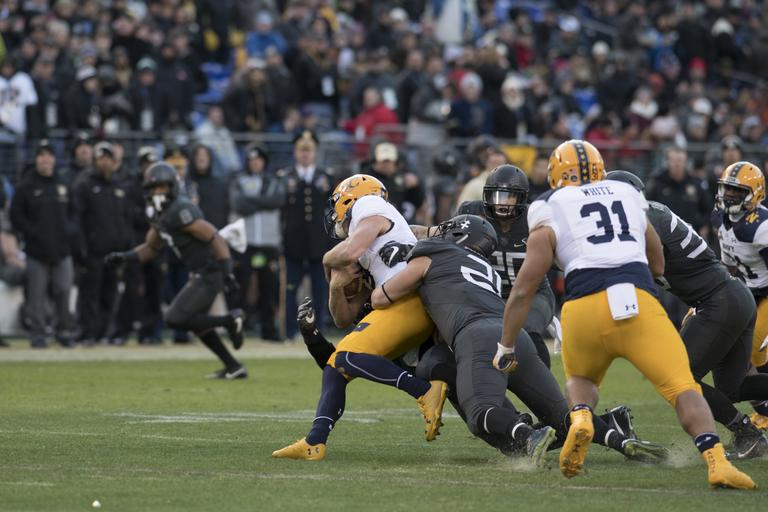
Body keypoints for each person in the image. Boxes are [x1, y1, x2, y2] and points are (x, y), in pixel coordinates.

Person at [494, 139, 755, 489]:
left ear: (556, 174)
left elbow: (525, 288)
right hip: (637, 300)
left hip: (583, 305)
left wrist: (506, 345)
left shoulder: (548, 204)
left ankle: (582, 418)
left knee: (581, 381)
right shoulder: (627, 193)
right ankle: (717, 463)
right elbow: (657, 264)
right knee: (683, 386)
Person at [369, 214, 666, 463]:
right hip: (514, 337)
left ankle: (528, 434)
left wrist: (378, 282)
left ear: (457, 234)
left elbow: (382, 297)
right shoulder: (488, 270)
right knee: (562, 415)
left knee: (480, 413)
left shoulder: (434, 253)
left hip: (477, 335)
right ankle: (619, 440)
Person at [272, 174, 447, 461]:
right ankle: (314, 442)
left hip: (409, 300)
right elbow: (344, 319)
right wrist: (336, 286)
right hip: (401, 305)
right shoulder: (369, 243)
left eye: (337, 203)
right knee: (335, 366)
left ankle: (424, 391)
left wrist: (327, 260)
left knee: (346, 357)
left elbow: (350, 250)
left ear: (351, 196)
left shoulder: (368, 205)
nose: (335, 213)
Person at [607, 170, 768, 459]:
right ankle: (749, 435)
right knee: (732, 388)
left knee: (677, 376)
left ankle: (747, 433)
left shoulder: (645, 219)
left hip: (720, 302)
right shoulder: (651, 213)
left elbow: (649, 269)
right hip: (731, 298)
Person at [104, 162, 247, 379]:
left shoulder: (180, 210)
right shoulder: (161, 214)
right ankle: (234, 367)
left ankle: (229, 320)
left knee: (174, 318)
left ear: (172, 187)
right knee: (195, 322)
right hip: (201, 271)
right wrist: (125, 257)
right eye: (153, 188)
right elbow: (151, 247)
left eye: (161, 187)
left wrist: (227, 272)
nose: (157, 192)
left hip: (211, 270)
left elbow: (214, 236)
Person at [456, 164, 556, 367]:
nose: (502, 202)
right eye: (497, 195)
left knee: (526, 332)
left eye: (509, 196)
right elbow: (443, 238)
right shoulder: (472, 213)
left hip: (532, 294)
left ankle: (542, 381)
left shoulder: (535, 218)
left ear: (522, 198)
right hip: (488, 296)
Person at [711, 161, 768, 430]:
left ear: (755, 194)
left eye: (738, 191)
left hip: (765, 292)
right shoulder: (720, 218)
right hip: (747, 290)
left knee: (756, 350)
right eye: (728, 189)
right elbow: (728, 265)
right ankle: (763, 410)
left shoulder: (760, 226)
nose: (730, 195)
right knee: (741, 353)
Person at [9, 140, 77, 348]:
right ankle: (38, 334)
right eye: (41, 155)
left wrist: (69, 231)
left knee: (64, 291)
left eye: (49, 155)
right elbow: (16, 216)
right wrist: (32, 234)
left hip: (62, 249)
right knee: (36, 295)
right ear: (36, 159)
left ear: (54, 159)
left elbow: (75, 213)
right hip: (36, 251)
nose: (46, 159)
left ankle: (63, 331)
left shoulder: (63, 184)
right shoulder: (26, 186)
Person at [73, 142, 134, 345]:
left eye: (108, 158)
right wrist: (81, 249)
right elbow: (77, 220)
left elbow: (125, 220)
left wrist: (126, 249)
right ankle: (88, 333)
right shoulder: (84, 185)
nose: (105, 162)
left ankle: (104, 333)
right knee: (90, 294)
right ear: (95, 161)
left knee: (110, 295)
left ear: (114, 162)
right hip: (93, 252)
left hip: (114, 253)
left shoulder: (119, 187)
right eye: (101, 158)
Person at [280, 130, 336, 338]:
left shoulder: (325, 177)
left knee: (319, 289)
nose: (305, 154)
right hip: (293, 242)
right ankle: (289, 331)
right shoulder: (285, 177)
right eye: (301, 150)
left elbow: (333, 209)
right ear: (295, 153)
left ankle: (318, 329)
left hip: (318, 242)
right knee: (291, 288)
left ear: (314, 153)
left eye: (309, 150)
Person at [229, 144, 286, 341]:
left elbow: (278, 200)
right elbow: (239, 204)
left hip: (269, 242)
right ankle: (238, 329)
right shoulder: (239, 180)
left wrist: (252, 200)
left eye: (258, 159)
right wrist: (263, 201)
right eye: (251, 160)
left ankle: (269, 330)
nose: (255, 163)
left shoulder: (273, 181)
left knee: (268, 289)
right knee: (241, 288)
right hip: (246, 242)